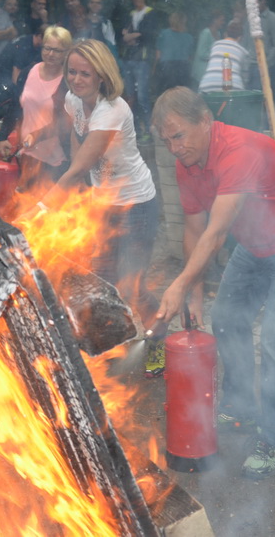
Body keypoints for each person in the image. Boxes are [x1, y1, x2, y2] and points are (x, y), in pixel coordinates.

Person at [151, 86, 275, 478]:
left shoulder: (237, 151)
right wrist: (194, 294)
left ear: (205, 121)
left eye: (178, 135)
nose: (173, 148)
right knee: (227, 318)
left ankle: (274, 440)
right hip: (256, 241)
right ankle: (240, 407)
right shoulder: (187, 164)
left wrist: (180, 284)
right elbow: (194, 228)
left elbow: (216, 233)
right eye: (166, 140)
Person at [21, 39, 162, 373]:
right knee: (101, 281)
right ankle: (109, 352)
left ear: (102, 76)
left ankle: (159, 344)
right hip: (104, 203)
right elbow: (75, 143)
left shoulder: (112, 110)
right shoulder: (73, 100)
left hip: (136, 205)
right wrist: (83, 193)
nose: (77, 79)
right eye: (73, 72)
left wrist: (42, 206)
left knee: (133, 284)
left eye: (86, 73)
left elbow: (80, 166)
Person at [0, 26, 73, 191]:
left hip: (56, 157)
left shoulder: (69, 82)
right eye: (48, 48)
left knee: (51, 208)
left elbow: (64, 123)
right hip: (27, 152)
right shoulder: (28, 72)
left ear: (66, 53)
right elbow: (16, 107)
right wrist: (2, 136)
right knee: (27, 201)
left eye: (57, 51)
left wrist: (36, 136)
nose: (51, 54)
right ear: (42, 46)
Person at [121, 0, 161, 139]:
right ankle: (136, 131)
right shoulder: (130, 14)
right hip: (128, 58)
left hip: (142, 60)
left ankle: (150, 131)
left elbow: (149, 35)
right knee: (131, 96)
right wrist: (132, 36)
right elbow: (122, 35)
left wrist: (131, 36)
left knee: (143, 96)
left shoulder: (150, 13)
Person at [242, 0, 275, 92]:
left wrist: (265, 63)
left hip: (266, 66)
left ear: (263, 0)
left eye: (256, 3)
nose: (254, 7)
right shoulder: (249, 20)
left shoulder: (274, 19)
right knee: (249, 96)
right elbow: (245, 41)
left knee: (262, 96)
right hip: (249, 65)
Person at [197, 18, 249, 93]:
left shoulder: (215, 45)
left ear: (226, 34)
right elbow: (245, 78)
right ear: (240, 38)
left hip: (207, 85)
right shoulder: (243, 52)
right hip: (233, 87)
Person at [155, 11, 194, 93]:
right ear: (183, 22)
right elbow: (189, 57)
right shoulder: (188, 37)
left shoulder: (163, 34)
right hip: (183, 68)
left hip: (167, 68)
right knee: (182, 94)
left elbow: (158, 55)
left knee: (167, 93)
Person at [192, 9, 224, 87]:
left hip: (210, 71)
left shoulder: (218, 33)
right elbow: (201, 53)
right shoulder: (206, 33)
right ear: (214, 20)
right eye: (221, 20)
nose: (223, 22)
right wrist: (216, 56)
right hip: (201, 72)